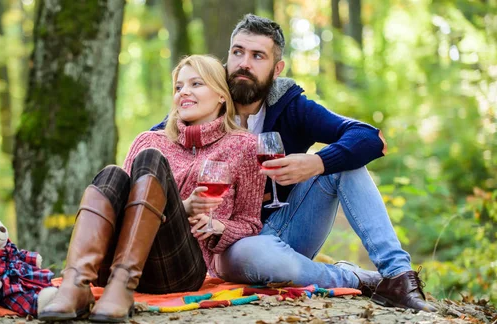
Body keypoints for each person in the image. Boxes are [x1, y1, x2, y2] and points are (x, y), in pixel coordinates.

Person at [152, 14, 436, 312]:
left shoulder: (292, 107)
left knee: (345, 165)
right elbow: (157, 151)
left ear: (276, 69)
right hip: (232, 245)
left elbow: (370, 138)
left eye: (257, 56)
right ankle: (355, 278)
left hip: (288, 225)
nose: (244, 63)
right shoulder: (204, 103)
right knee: (257, 254)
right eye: (237, 52)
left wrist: (317, 163)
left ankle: (397, 276)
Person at [38, 55, 266, 322]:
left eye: (196, 84)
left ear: (221, 96)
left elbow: (250, 223)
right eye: (179, 87)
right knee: (113, 174)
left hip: (178, 267)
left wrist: (219, 228)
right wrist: (183, 207)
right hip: (115, 265)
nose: (184, 92)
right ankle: (75, 283)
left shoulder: (244, 146)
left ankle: (123, 285)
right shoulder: (150, 139)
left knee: (150, 159)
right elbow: (123, 207)